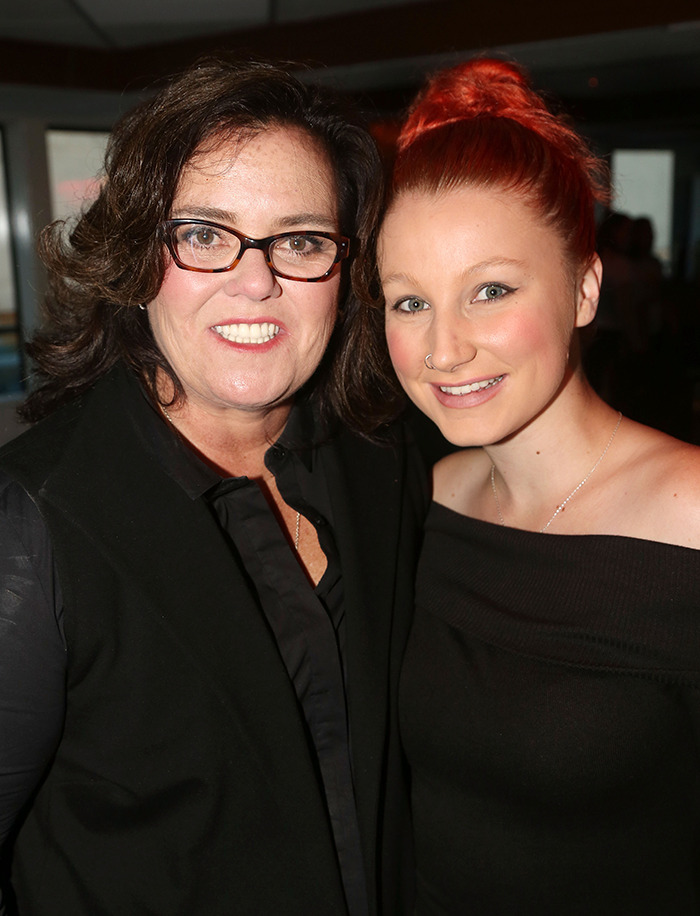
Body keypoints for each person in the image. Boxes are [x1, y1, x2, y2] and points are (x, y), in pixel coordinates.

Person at [0, 58, 425, 916]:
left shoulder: (386, 463)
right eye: (203, 233)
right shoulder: (36, 518)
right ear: (134, 255)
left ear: (347, 275)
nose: (256, 279)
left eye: (301, 239)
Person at [366, 57, 700, 913]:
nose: (444, 350)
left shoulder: (690, 513)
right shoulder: (429, 495)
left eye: (490, 290)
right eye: (408, 302)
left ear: (585, 287)